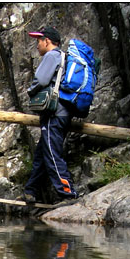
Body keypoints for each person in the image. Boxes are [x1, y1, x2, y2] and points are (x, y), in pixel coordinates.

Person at [23, 26, 79, 204]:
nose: (37, 45)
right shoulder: (63, 57)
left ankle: (68, 192)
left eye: (38, 41)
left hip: (54, 114)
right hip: (63, 112)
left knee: (52, 154)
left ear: (47, 41)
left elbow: (41, 80)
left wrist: (31, 91)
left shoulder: (51, 56)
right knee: (42, 153)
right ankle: (30, 191)